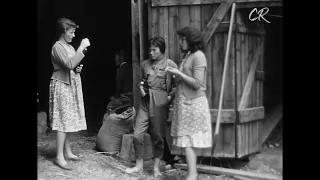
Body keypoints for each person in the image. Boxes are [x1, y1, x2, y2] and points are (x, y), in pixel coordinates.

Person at [125, 36, 178, 178]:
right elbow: (142, 81)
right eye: (150, 50)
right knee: (137, 135)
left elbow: (175, 86)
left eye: (154, 50)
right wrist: (141, 88)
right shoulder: (145, 64)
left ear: (162, 50)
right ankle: (139, 166)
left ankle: (156, 168)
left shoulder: (170, 64)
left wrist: (168, 98)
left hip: (160, 102)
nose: (151, 53)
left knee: (158, 137)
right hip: (145, 102)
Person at [166, 26, 212, 180]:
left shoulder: (199, 56)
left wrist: (178, 73)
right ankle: (192, 173)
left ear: (191, 40)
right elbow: (185, 79)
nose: (180, 42)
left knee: (189, 140)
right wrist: (176, 75)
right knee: (186, 141)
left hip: (193, 104)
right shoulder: (188, 56)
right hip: (185, 104)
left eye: (183, 39)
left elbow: (197, 83)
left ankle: (192, 175)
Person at [49, 17, 90, 170]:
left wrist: (77, 69)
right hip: (62, 85)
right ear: (63, 31)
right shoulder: (57, 47)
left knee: (69, 118)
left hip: (71, 84)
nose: (73, 35)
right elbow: (68, 64)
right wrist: (82, 47)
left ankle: (67, 151)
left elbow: (73, 65)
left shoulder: (70, 47)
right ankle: (59, 156)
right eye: (71, 32)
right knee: (62, 119)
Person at [105, 49, 133, 117]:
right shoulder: (131, 66)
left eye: (116, 57)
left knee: (110, 106)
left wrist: (115, 97)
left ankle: (108, 126)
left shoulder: (121, 68)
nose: (115, 59)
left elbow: (119, 87)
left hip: (127, 96)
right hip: (132, 94)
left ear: (122, 57)